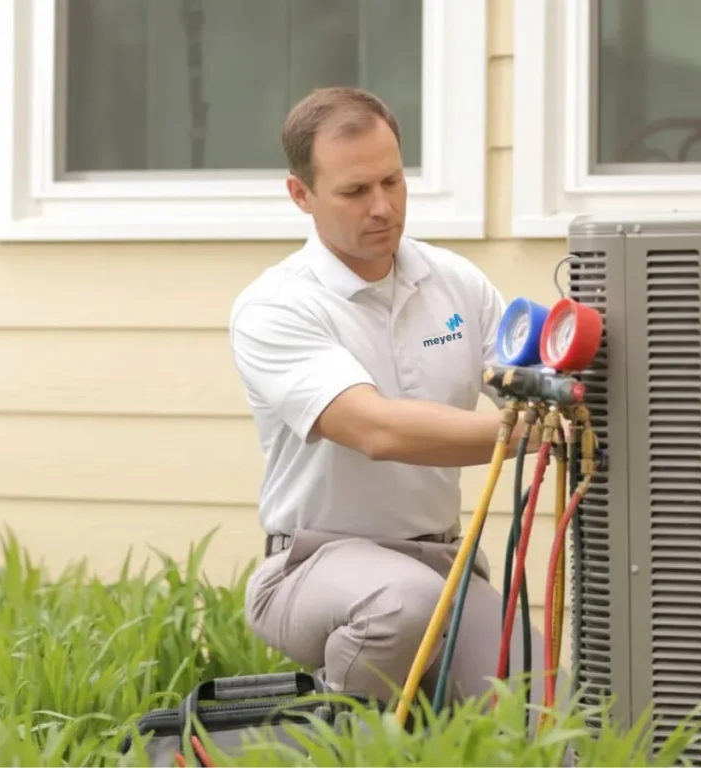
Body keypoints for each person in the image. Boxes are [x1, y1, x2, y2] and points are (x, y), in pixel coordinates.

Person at [227, 87, 559, 714]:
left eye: (393, 181)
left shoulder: (454, 282)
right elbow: (376, 430)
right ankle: (339, 741)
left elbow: (533, 379)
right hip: (312, 564)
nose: (382, 207)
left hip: (442, 568)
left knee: (554, 718)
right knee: (401, 606)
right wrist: (529, 433)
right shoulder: (276, 306)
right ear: (301, 194)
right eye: (355, 191)